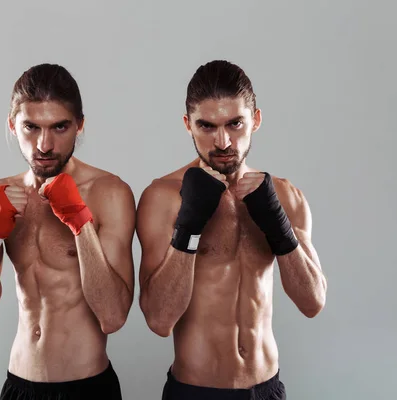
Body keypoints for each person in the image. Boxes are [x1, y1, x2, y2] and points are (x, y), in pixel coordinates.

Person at [136, 60, 327, 400]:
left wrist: (280, 230)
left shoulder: (285, 196)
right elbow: (158, 321)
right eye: (206, 126)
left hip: (266, 388)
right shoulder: (163, 198)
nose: (223, 141)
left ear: (255, 120)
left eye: (235, 123)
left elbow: (312, 302)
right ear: (188, 125)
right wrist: (189, 228)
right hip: (196, 391)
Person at [0, 63, 135, 400]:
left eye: (59, 127)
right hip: (19, 384)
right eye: (31, 127)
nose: (44, 144)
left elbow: (113, 316)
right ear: (12, 125)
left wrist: (80, 223)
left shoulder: (108, 193)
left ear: (79, 126)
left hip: (87, 387)